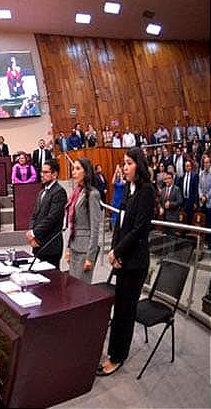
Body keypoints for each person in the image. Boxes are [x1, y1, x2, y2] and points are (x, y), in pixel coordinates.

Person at [97, 147, 155, 377]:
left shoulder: (146, 191)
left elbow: (140, 229)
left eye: (129, 163)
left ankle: (118, 356)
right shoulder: (130, 190)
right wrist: (115, 251)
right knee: (118, 309)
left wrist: (118, 252)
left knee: (125, 311)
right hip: (123, 259)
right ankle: (113, 352)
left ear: (139, 165)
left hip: (136, 263)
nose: (124, 167)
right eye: (124, 163)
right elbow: (120, 224)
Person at [64, 159, 102, 283]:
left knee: (82, 289)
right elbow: (72, 225)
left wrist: (90, 257)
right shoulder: (76, 193)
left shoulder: (93, 194)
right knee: (73, 286)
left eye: (78, 169)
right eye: (73, 169)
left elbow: (95, 227)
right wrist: (68, 248)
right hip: (74, 245)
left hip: (85, 249)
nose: (74, 172)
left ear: (86, 173)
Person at [26, 159, 67, 267]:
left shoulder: (59, 192)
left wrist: (34, 234)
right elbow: (34, 215)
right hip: (37, 244)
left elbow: (51, 219)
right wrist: (31, 232)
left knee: (52, 281)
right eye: (41, 172)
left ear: (54, 174)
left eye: (45, 172)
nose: (42, 175)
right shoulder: (42, 192)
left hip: (50, 246)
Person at [177, 160, 199, 225]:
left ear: (191, 167)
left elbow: (196, 190)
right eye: (186, 166)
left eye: (188, 166)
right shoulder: (183, 176)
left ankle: (189, 232)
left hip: (191, 200)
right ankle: (183, 232)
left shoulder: (194, 176)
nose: (187, 167)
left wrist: (195, 202)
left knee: (190, 218)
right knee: (183, 218)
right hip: (184, 200)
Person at [198, 154, 211, 249]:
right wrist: (201, 195)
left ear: (210, 163)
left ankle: (210, 242)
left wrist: (206, 196)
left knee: (210, 223)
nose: (205, 164)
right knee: (203, 222)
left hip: (209, 202)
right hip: (202, 202)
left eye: (207, 162)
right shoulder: (201, 173)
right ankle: (204, 241)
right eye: (204, 163)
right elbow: (199, 186)